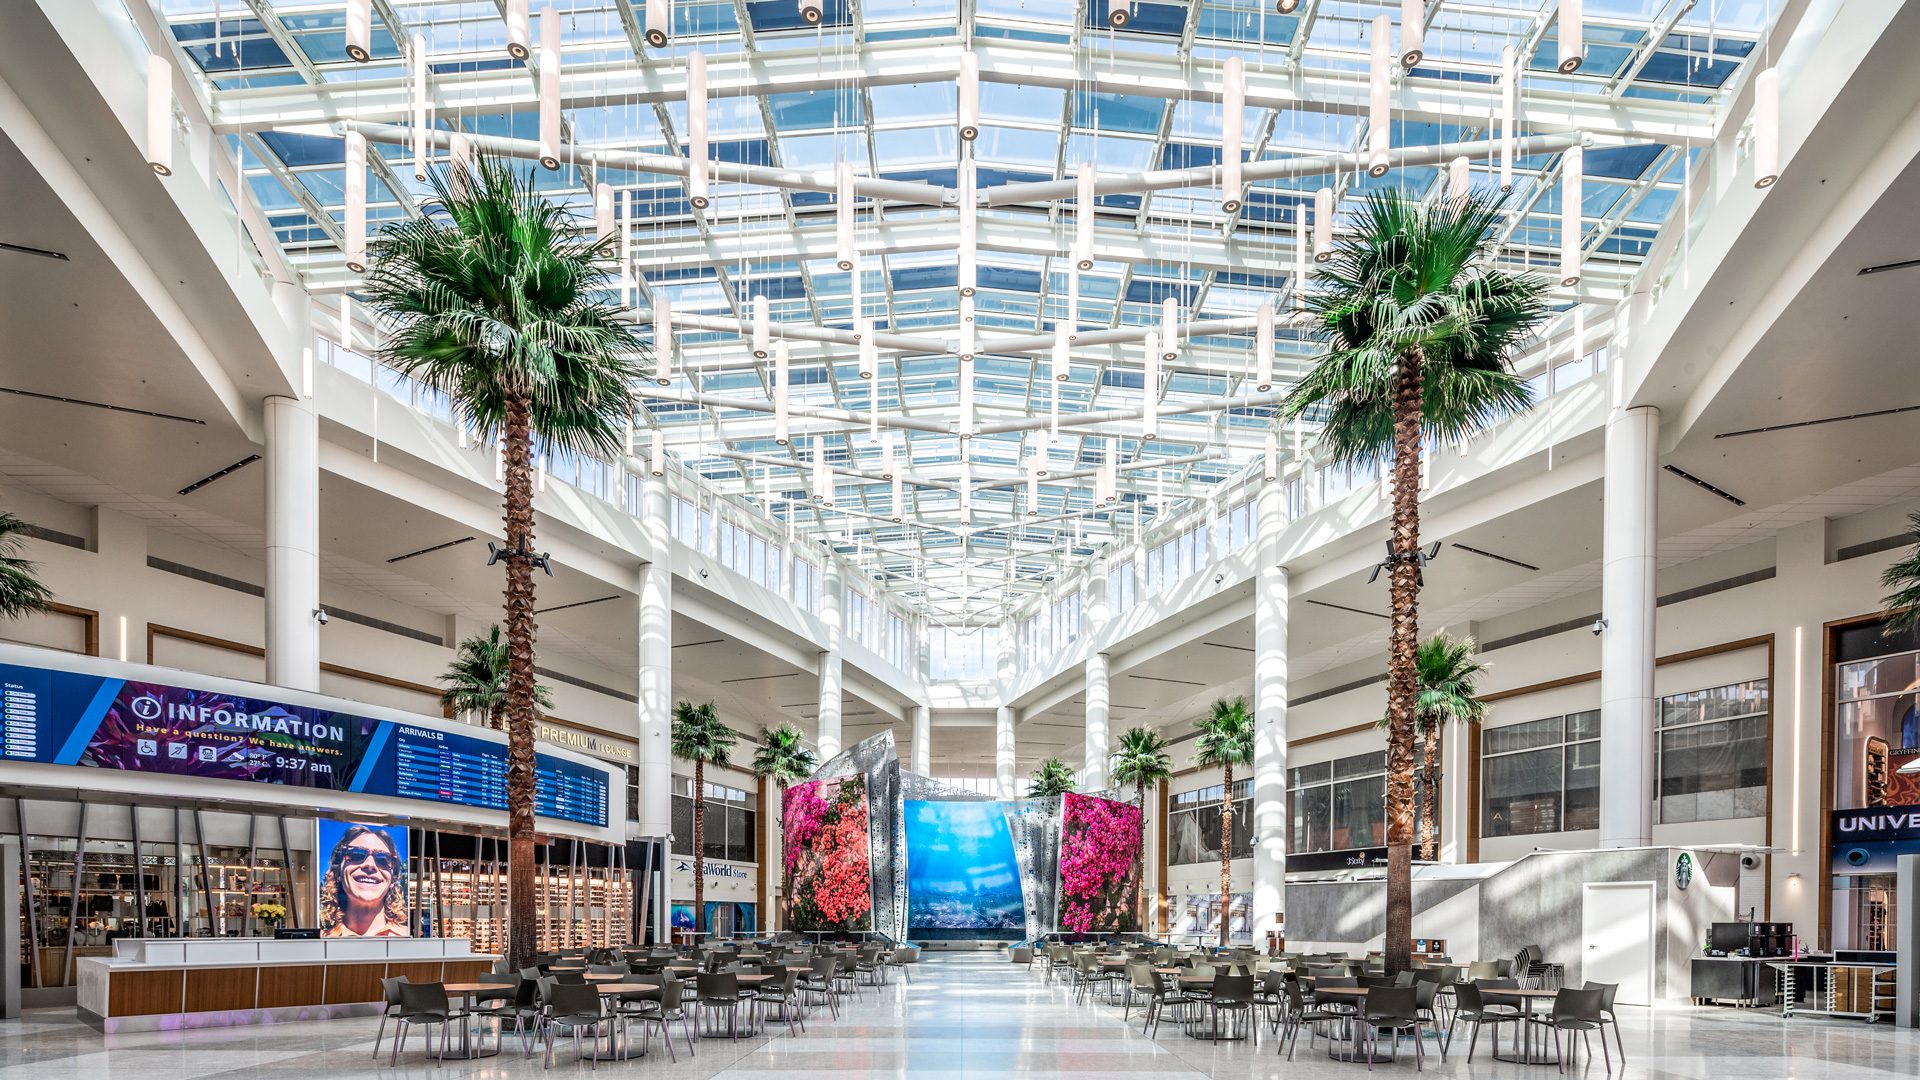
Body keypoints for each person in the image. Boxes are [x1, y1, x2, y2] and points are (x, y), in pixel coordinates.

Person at [320, 823, 409, 937]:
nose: (370, 865)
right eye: (356, 854)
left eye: (382, 859)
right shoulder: (319, 942)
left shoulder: (411, 939)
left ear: (393, 880)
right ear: (338, 872)